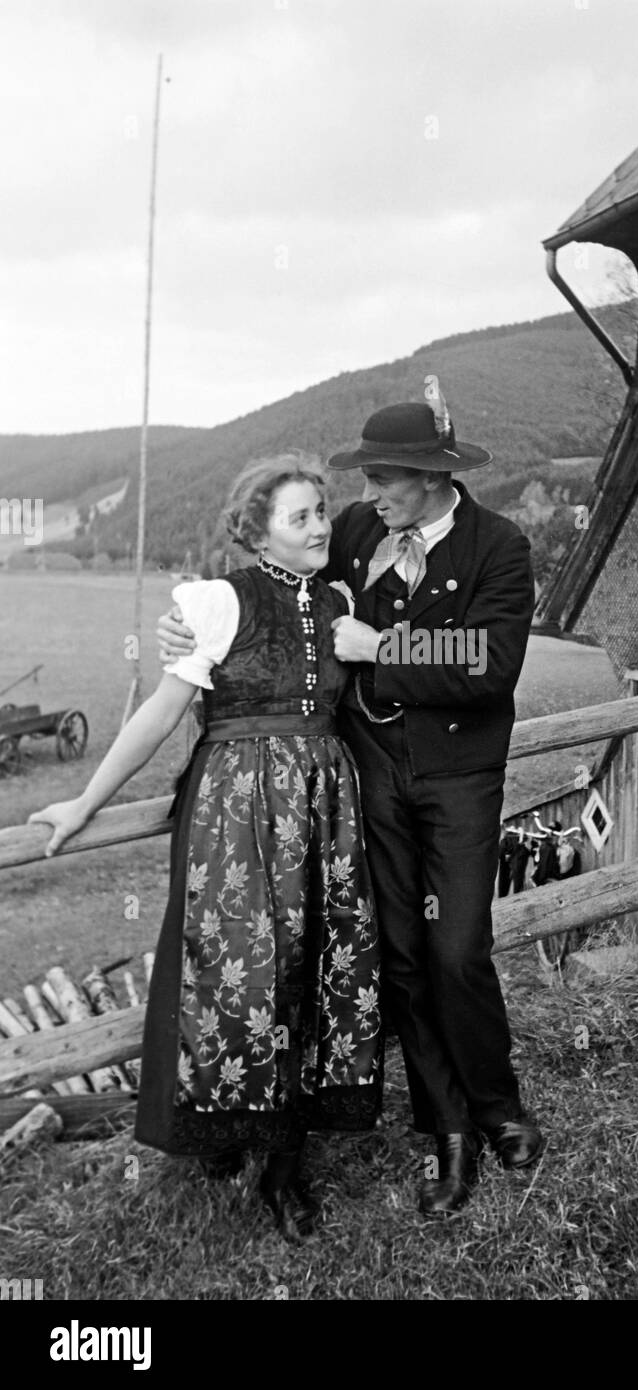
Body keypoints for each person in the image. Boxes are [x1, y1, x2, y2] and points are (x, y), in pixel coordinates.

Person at [159, 381, 544, 1216]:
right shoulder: (364, 532)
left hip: (458, 778)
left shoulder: (500, 547)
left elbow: (488, 666)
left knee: (458, 949)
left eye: (383, 482)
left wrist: (382, 644)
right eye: (363, 484)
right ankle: (448, 1132)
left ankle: (498, 1105)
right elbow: (277, 573)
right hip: (369, 776)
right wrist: (191, 625)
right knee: (403, 956)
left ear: (433, 478)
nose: (364, 501)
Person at [30, 454, 383, 1241]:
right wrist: (86, 802)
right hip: (235, 812)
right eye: (301, 517)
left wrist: (381, 649)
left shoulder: (340, 602)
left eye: (322, 510)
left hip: (326, 809)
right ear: (259, 534)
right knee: (238, 974)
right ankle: (226, 1130)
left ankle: (287, 1167)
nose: (321, 525)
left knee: (314, 975)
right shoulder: (217, 603)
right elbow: (162, 712)